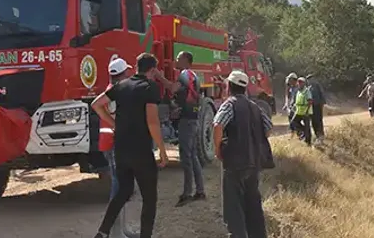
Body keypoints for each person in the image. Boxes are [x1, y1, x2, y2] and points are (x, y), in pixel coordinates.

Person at [92, 53, 169, 238]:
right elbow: (152, 122)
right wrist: (163, 151)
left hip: (121, 148)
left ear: (135, 67)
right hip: (141, 149)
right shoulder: (149, 87)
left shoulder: (122, 85)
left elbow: (96, 104)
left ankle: (102, 232)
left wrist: (114, 123)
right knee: (149, 198)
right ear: (151, 70)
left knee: (123, 191)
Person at [213, 70, 272, 238]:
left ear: (229, 87)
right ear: (245, 88)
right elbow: (268, 129)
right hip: (253, 164)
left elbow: (217, 125)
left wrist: (217, 150)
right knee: (253, 206)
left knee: (234, 209)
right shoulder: (256, 107)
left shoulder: (229, 104)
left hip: (234, 164)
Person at [155, 51, 206, 207]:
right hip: (193, 119)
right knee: (193, 156)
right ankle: (200, 191)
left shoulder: (185, 74)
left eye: (177, 58)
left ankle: (187, 193)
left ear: (185, 60)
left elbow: (172, 87)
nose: (175, 61)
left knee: (186, 158)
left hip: (187, 121)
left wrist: (158, 76)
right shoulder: (194, 76)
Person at [98, 58, 133, 238]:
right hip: (114, 144)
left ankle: (123, 230)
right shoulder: (115, 93)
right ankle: (116, 232)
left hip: (111, 142)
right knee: (118, 189)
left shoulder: (111, 90)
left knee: (122, 187)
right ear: (123, 74)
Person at [292, 77, 313, 145]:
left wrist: (307, 111)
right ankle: (303, 131)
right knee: (294, 122)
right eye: (299, 82)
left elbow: (310, 101)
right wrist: (294, 106)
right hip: (299, 111)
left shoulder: (307, 91)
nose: (299, 84)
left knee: (307, 126)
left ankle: (308, 141)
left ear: (304, 83)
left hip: (305, 112)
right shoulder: (298, 91)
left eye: (301, 82)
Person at [305, 74, 326, 145]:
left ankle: (321, 136)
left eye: (310, 79)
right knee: (313, 122)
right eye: (308, 79)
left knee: (319, 121)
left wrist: (322, 105)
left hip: (317, 106)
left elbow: (322, 95)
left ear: (313, 79)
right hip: (311, 107)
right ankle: (317, 136)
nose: (309, 80)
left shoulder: (317, 86)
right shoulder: (308, 88)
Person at [283, 73, 299, 137]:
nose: (289, 81)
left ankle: (299, 133)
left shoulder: (298, 87)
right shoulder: (291, 88)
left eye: (290, 80)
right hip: (292, 105)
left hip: (297, 106)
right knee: (290, 118)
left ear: (293, 80)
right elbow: (288, 96)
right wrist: (286, 104)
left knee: (294, 120)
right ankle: (293, 132)